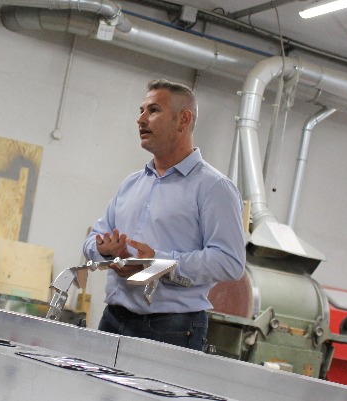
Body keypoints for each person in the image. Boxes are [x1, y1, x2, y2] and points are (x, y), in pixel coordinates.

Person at [82, 79, 246, 351]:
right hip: (113, 319)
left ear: (183, 120)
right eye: (141, 110)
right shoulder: (131, 184)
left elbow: (230, 261)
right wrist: (104, 250)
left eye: (154, 110)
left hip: (172, 328)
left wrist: (158, 264)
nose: (141, 119)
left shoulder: (214, 188)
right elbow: (93, 239)